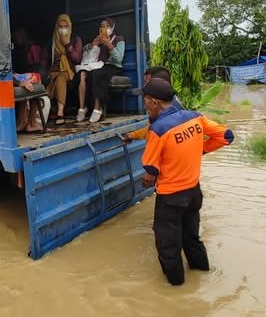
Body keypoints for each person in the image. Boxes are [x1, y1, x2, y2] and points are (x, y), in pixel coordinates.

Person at [140, 78, 234, 286]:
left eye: (145, 100)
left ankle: (176, 292)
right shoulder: (195, 118)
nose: (144, 104)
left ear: (155, 102)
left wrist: (147, 177)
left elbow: (150, 171)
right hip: (193, 193)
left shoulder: (158, 129)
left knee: (168, 247)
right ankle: (202, 279)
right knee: (192, 239)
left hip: (171, 198)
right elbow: (226, 136)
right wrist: (199, 150)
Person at [76, 18, 125, 123]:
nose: (104, 28)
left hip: (113, 67)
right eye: (102, 26)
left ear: (112, 27)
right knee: (83, 73)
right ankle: (83, 107)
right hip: (99, 65)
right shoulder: (99, 39)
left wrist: (109, 45)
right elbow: (84, 50)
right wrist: (92, 44)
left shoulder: (119, 39)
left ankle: (97, 108)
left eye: (107, 26)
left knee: (96, 74)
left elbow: (119, 59)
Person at [124, 65, 183, 142]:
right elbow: (152, 129)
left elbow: (156, 132)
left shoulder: (167, 112)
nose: (145, 87)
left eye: (148, 83)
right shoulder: (168, 103)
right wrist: (133, 135)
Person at [46, 14, 82, 125]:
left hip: (69, 71)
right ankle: (49, 111)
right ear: (56, 27)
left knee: (60, 78)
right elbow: (45, 59)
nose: (63, 29)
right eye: (60, 26)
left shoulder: (75, 39)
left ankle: (60, 112)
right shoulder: (52, 42)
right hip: (53, 71)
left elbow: (77, 58)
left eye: (65, 26)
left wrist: (67, 45)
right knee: (53, 79)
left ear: (69, 26)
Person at [12, 29, 48, 133]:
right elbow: (7, 74)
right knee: (30, 82)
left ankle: (25, 122)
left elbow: (36, 65)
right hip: (10, 79)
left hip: (17, 76)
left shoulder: (31, 47)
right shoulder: (17, 50)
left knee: (33, 79)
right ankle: (28, 122)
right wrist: (20, 82)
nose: (14, 42)